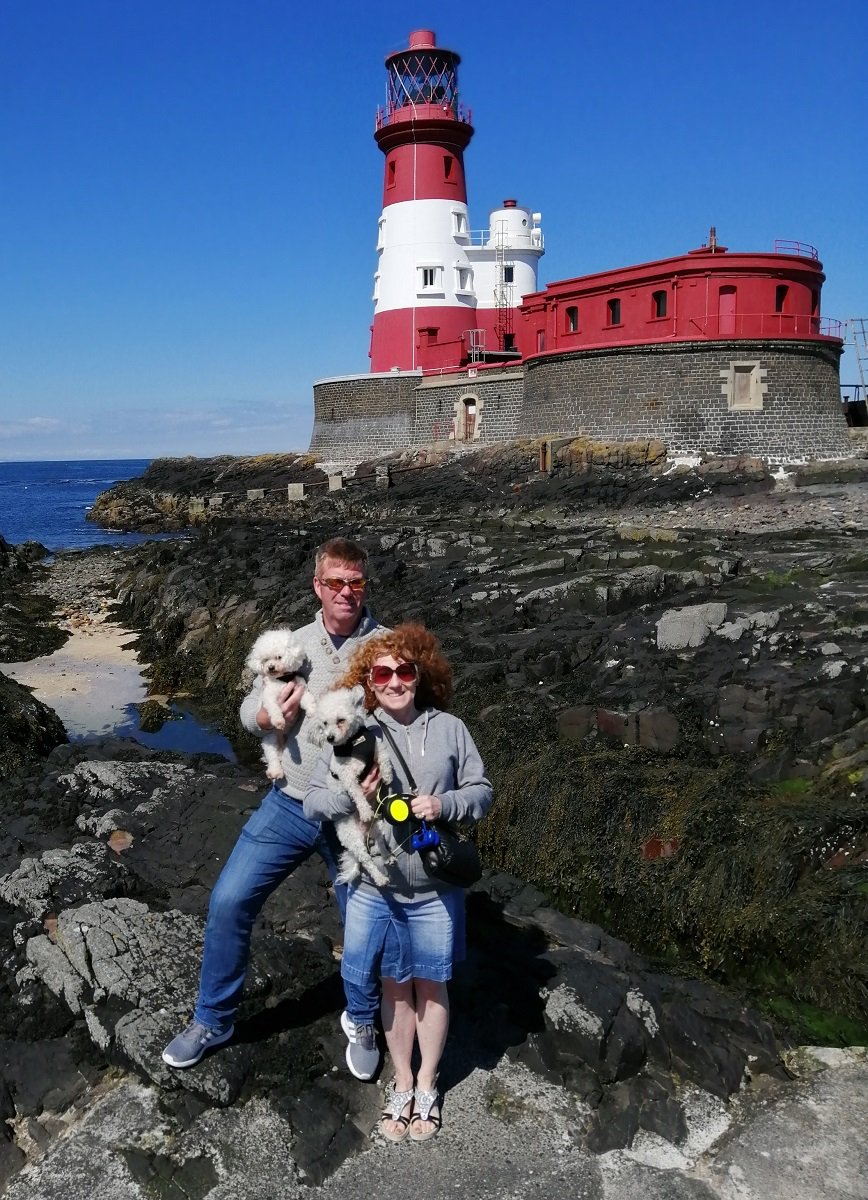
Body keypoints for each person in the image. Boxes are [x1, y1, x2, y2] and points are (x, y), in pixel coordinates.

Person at [162, 537, 385, 1078]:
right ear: (318, 586)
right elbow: (249, 706)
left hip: (353, 812)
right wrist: (263, 721)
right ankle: (214, 1019)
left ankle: (362, 1017)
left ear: (364, 586)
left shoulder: (384, 648)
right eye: (335, 582)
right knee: (229, 901)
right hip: (289, 802)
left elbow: (410, 716)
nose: (345, 592)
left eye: (355, 582)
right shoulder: (295, 644)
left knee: (365, 921)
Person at [304, 623, 492, 1142]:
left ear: (420, 674)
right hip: (374, 888)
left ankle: (428, 1084)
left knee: (431, 987)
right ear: (368, 681)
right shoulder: (353, 730)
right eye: (381, 672)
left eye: (403, 671)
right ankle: (402, 1081)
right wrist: (351, 796)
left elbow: (482, 791)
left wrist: (445, 803)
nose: (393, 681)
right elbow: (313, 801)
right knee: (392, 986)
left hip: (433, 889)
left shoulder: (451, 729)